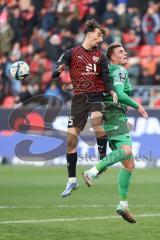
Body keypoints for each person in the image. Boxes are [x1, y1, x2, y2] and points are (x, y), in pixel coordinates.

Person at [82, 42, 148, 223]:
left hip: (111, 115)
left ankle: (123, 204)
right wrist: (138, 106)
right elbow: (120, 93)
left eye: (125, 50)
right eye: (120, 51)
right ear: (112, 57)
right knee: (126, 150)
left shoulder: (111, 71)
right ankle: (92, 171)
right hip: (114, 115)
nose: (125, 53)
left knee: (129, 165)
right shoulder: (119, 70)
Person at [52, 19, 116, 198]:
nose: (100, 38)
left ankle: (102, 158)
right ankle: (71, 181)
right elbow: (56, 71)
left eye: (101, 35)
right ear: (89, 34)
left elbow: (106, 77)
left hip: (97, 95)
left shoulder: (101, 56)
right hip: (79, 99)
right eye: (98, 34)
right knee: (71, 140)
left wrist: (110, 90)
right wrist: (59, 70)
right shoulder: (71, 53)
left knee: (96, 122)